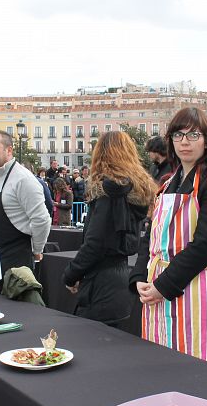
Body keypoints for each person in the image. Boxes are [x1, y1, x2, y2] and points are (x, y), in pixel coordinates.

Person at [130, 107, 207, 366]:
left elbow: (206, 245)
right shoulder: (166, 184)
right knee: (160, 361)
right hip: (157, 285)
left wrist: (163, 286)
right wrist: (138, 276)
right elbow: (150, 235)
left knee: (195, 362)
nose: (185, 141)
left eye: (193, 135)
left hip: (196, 287)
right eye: (179, 135)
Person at [63, 131, 154, 325]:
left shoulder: (108, 194)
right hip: (122, 278)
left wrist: (71, 275)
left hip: (100, 284)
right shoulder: (134, 192)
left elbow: (95, 243)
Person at [0, 131, 51, 293]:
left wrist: (37, 250)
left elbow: (41, 219)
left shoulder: (23, 179)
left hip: (15, 264)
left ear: (9, 150)